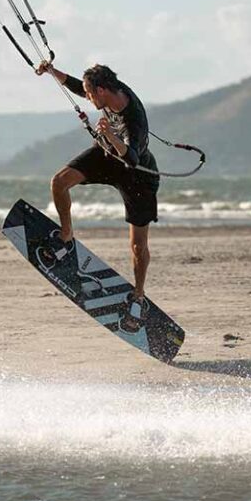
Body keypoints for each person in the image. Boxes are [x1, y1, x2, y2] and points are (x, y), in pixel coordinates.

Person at [34, 61, 160, 332]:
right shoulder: (107, 92)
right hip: (107, 156)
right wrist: (52, 72)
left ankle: (138, 296)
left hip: (137, 174)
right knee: (59, 182)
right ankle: (66, 234)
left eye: (91, 95)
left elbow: (132, 158)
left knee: (138, 246)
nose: (88, 98)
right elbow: (80, 87)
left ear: (102, 91)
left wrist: (112, 137)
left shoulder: (133, 117)